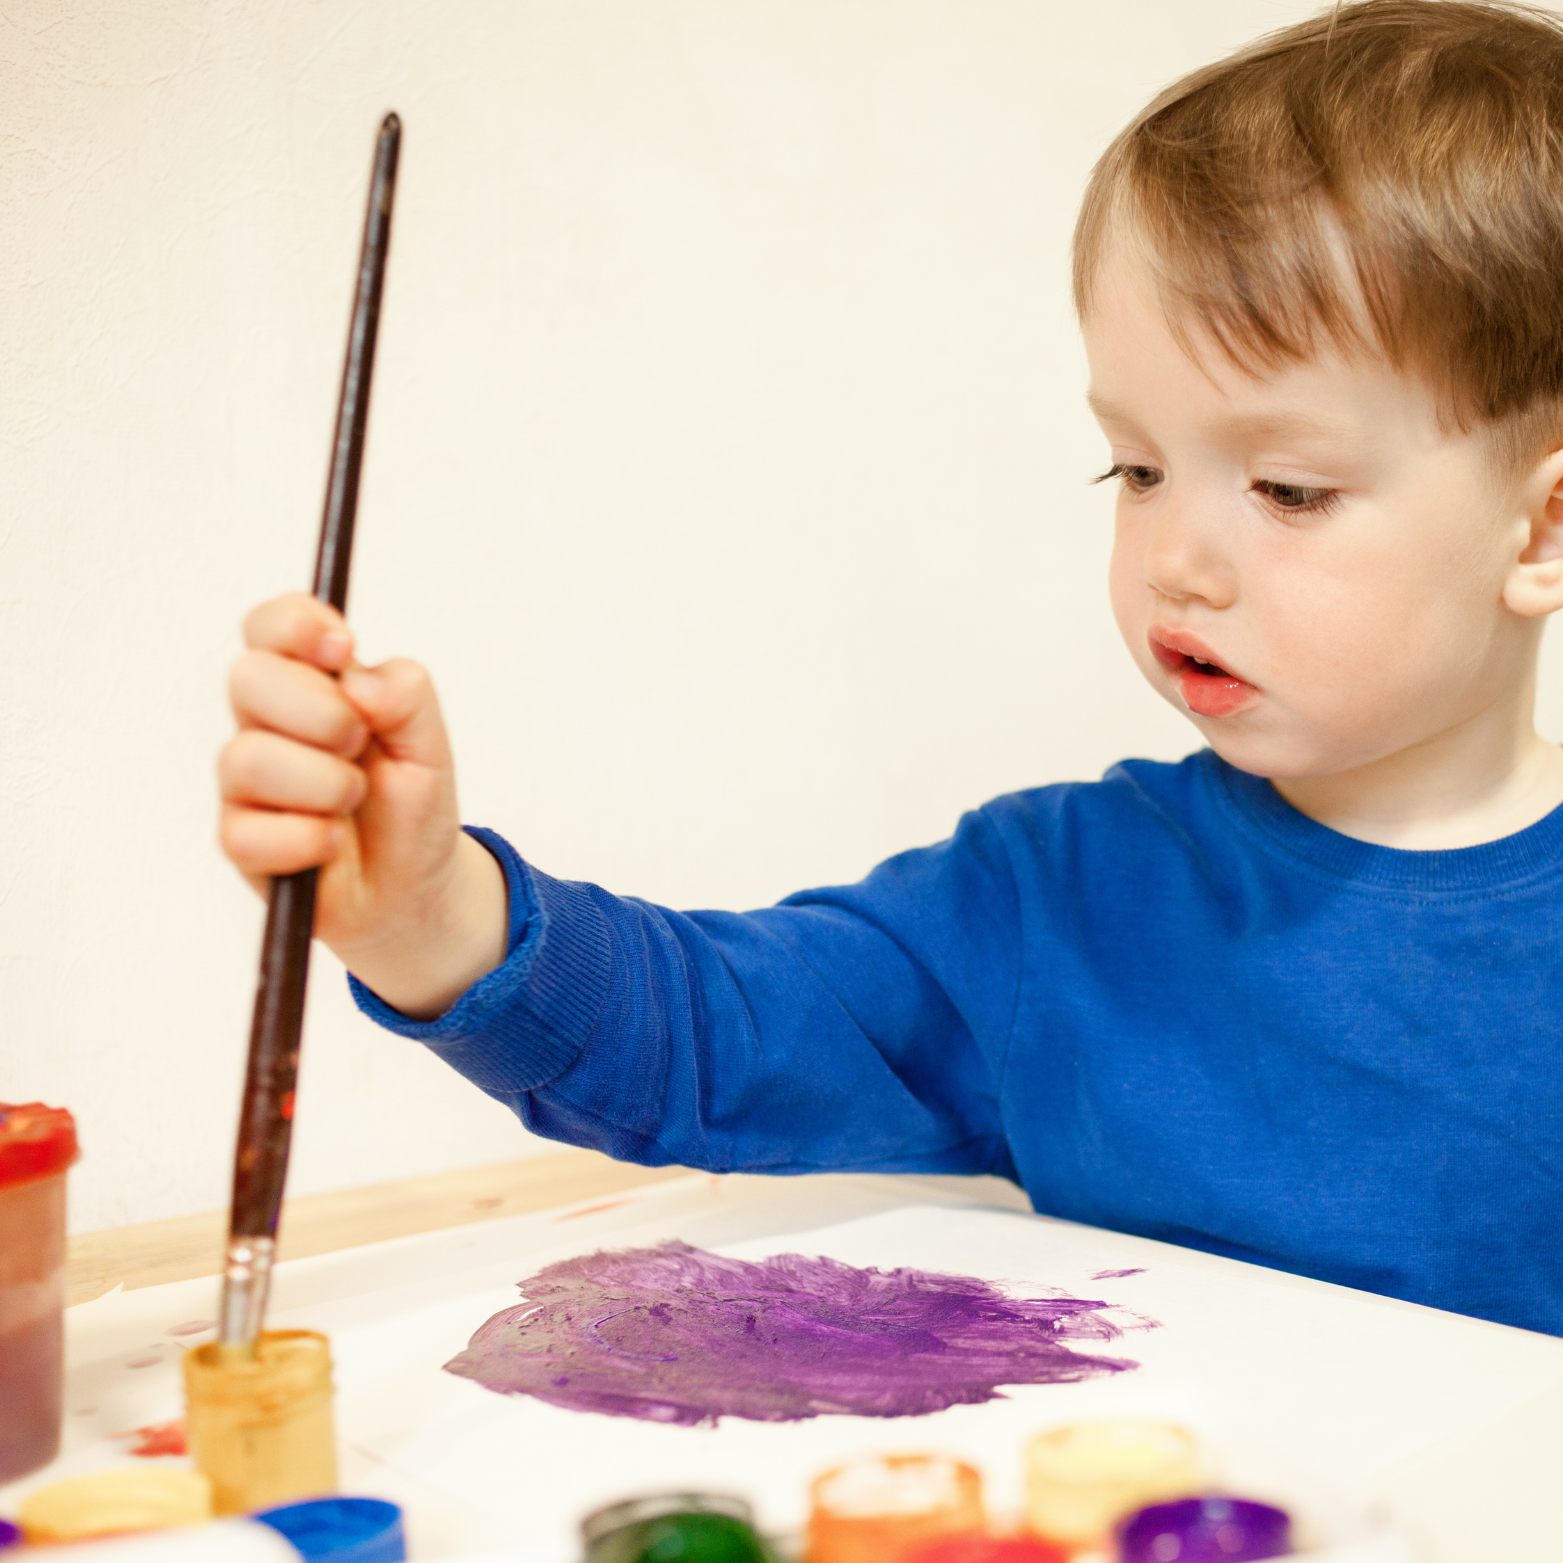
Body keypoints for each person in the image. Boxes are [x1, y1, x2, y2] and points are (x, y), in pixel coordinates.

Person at [218, 0, 1563, 1336]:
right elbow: (717, 1032)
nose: (1176, 560)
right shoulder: (1051, 900)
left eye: (1287, 488)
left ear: (1542, 527)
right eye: (1137, 469)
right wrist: (430, 916)